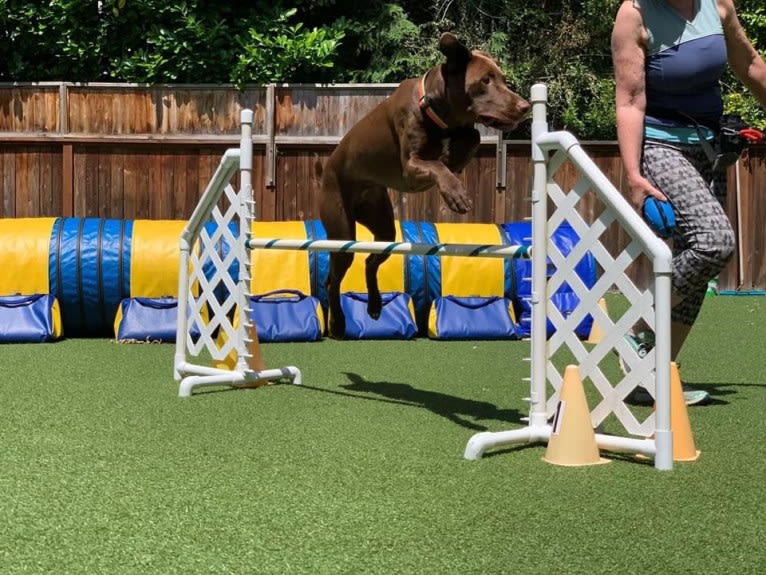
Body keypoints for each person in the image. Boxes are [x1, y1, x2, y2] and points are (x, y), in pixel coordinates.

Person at [611, 0, 766, 404]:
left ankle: (652, 376)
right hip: (661, 146)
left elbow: (749, 64)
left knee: (696, 268)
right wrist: (634, 175)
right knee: (715, 241)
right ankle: (636, 327)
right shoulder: (635, 15)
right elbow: (629, 99)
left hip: (708, 146)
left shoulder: (719, 6)